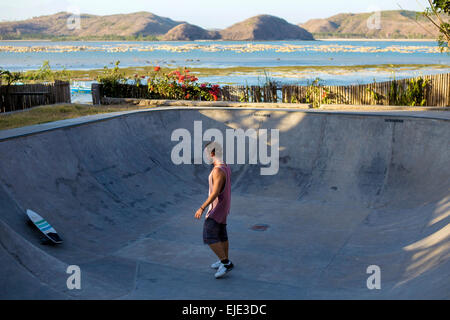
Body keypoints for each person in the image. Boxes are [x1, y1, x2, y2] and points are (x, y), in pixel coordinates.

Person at [194, 141, 233, 279]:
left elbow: (215, 193)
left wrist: (202, 207)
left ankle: (225, 262)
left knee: (209, 235)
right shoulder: (225, 166)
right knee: (221, 233)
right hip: (224, 206)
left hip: (217, 207)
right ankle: (224, 259)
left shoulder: (217, 170)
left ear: (212, 153)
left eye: (206, 154)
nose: (206, 157)